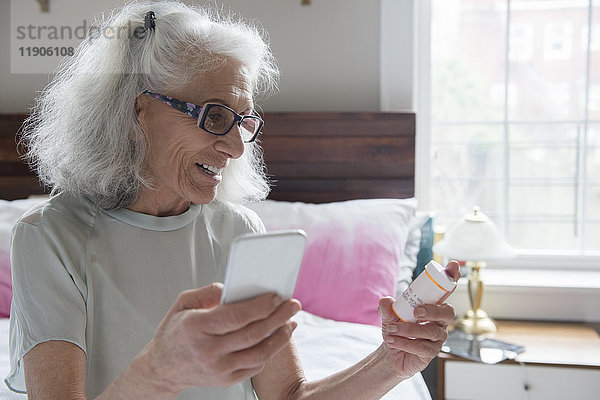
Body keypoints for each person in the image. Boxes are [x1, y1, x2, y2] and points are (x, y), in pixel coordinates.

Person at [7, 1, 459, 399]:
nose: (237, 147)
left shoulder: (238, 231)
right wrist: (160, 372)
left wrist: (389, 364)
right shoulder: (48, 238)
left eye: (241, 121)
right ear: (136, 109)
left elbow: (288, 396)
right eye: (215, 115)